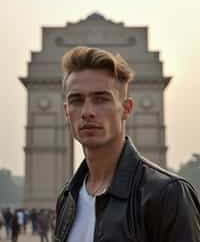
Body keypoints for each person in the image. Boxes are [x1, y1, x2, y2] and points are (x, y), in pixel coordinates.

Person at [54, 46, 200, 242]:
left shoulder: (169, 195)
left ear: (126, 108)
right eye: (76, 100)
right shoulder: (67, 198)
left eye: (101, 99)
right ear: (66, 111)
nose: (87, 111)